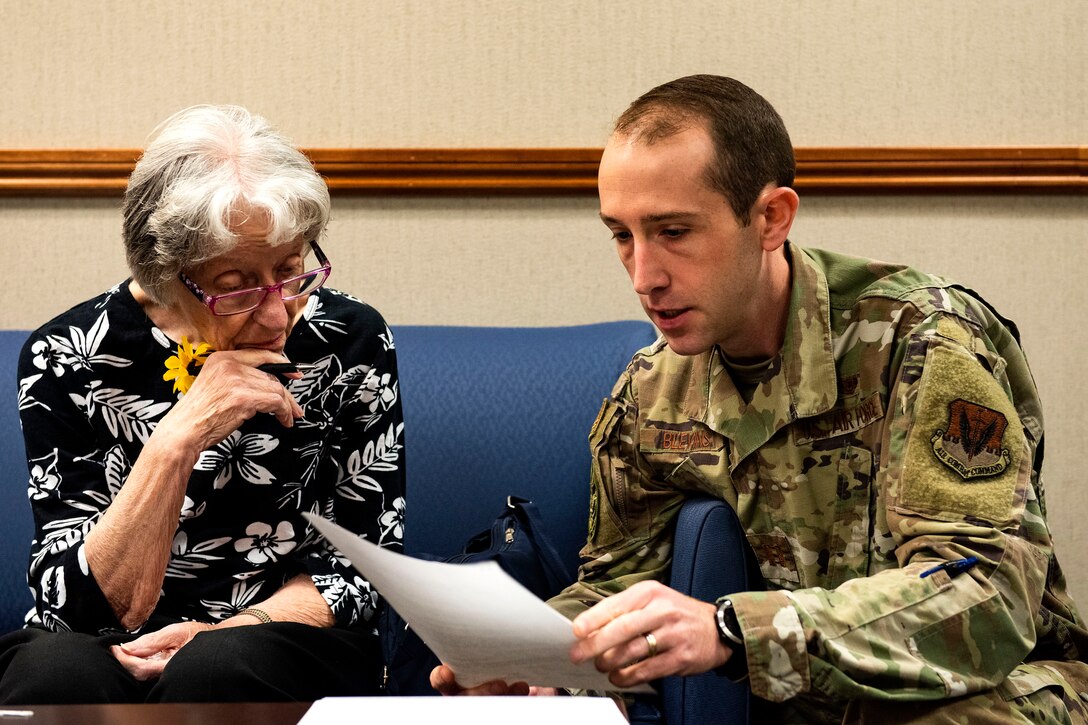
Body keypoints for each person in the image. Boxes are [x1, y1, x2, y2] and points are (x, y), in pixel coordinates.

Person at [432, 75, 1088, 722]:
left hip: (986, 693)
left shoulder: (920, 340)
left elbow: (980, 595)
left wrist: (734, 630)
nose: (643, 276)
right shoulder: (654, 387)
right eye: (622, 235)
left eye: (674, 232)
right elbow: (618, 584)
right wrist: (536, 656)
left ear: (771, 218)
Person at [0, 105, 405, 704]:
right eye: (236, 286)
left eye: (291, 272)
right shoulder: (69, 356)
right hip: (104, 638)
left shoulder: (350, 341)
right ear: (167, 276)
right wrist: (176, 440)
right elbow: (75, 605)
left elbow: (365, 565)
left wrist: (225, 631)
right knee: (54, 678)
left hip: (278, 636)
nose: (275, 315)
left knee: (217, 672)